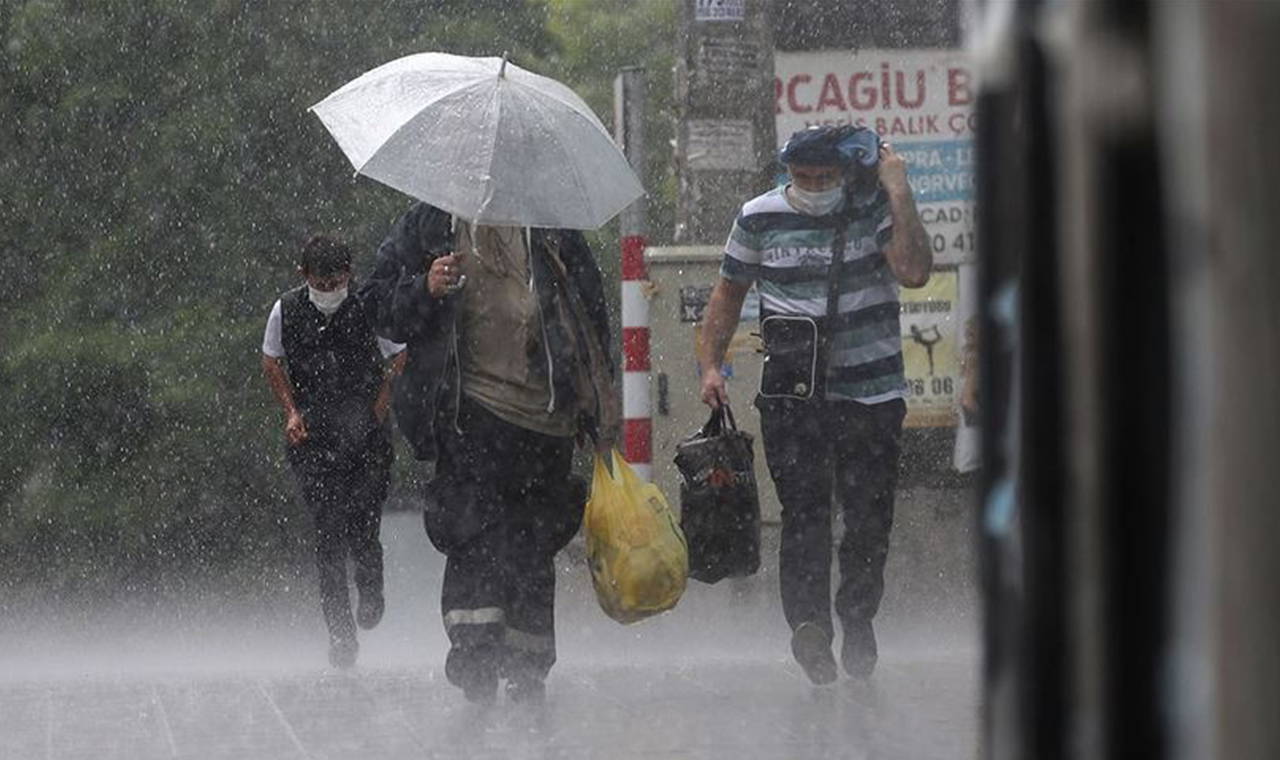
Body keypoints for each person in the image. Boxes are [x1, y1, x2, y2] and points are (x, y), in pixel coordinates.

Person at [697, 125, 932, 684]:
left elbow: (914, 271)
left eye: (824, 178)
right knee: (804, 513)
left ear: (846, 173)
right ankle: (810, 626)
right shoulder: (759, 216)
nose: (812, 186)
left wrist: (898, 191)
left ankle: (857, 614)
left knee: (868, 518)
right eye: (802, 177)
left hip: (871, 395)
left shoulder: (872, 208)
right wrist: (710, 365)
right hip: (792, 398)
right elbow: (726, 295)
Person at [362, 202, 618, 704]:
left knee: (531, 542)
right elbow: (377, 306)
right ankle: (475, 656)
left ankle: (528, 665)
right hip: (467, 410)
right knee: (472, 534)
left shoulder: (551, 225)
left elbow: (590, 317)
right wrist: (425, 288)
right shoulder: (431, 224)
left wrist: (595, 409)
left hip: (546, 417)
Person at [261, 235, 406, 668]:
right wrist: (290, 411)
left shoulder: (366, 307)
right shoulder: (285, 310)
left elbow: (399, 355)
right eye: (321, 284)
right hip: (314, 438)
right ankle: (341, 635)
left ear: (349, 276)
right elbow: (271, 360)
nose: (329, 291)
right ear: (304, 276)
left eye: (337, 282)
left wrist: (382, 400)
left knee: (364, 524)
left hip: (366, 436)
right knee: (327, 536)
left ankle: (371, 584)